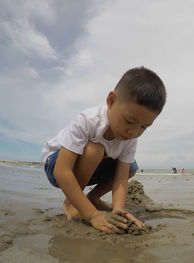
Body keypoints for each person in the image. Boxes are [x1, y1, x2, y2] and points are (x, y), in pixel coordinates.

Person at [41, 67, 166, 234]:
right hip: (56, 164)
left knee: (130, 167)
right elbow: (62, 171)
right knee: (94, 150)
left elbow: (121, 178)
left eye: (144, 127)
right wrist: (92, 215)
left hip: (90, 166)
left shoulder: (131, 138)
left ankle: (92, 198)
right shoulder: (88, 120)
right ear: (111, 100)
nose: (134, 132)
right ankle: (71, 203)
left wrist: (119, 211)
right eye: (129, 121)